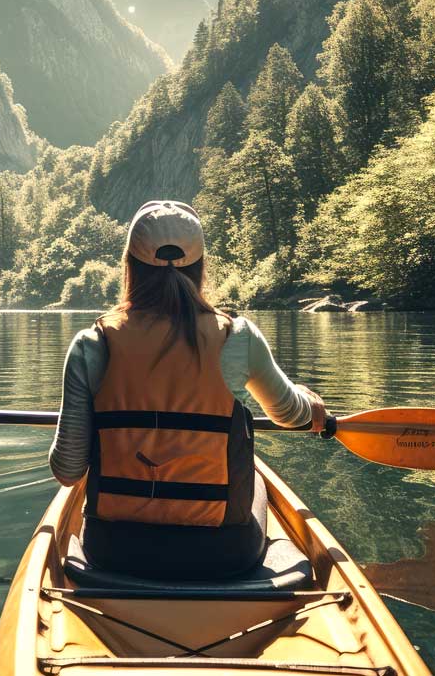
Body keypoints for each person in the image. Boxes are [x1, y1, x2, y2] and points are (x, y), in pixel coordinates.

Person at [48, 200, 327, 580]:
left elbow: (68, 470)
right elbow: (290, 415)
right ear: (200, 268)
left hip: (114, 551)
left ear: (129, 266)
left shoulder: (91, 343)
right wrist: (311, 406)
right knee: (257, 479)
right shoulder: (237, 336)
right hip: (222, 554)